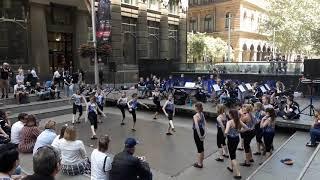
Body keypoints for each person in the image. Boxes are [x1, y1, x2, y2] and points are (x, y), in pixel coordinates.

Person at [225, 109, 248, 179]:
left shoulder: (229, 122)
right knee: (233, 153)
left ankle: (238, 174)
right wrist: (239, 131)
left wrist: (225, 133)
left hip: (231, 140)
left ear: (231, 115)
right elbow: (246, 128)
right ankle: (231, 167)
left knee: (232, 157)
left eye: (229, 114)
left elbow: (226, 132)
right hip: (236, 139)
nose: (228, 115)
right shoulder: (238, 121)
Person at [192, 102, 207, 168]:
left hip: (197, 132)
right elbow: (204, 124)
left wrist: (200, 135)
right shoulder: (202, 114)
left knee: (199, 148)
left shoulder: (195, 116)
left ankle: (199, 164)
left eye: (195, 107)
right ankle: (201, 162)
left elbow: (197, 126)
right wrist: (204, 133)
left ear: (196, 108)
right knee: (202, 147)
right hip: (202, 131)